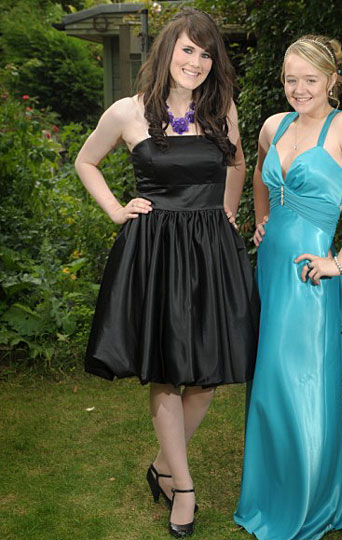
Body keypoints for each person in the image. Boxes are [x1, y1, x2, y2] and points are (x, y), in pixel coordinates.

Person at [75, 8, 259, 538]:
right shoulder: (128, 111)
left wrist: (227, 209)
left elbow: (238, 163)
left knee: (207, 374)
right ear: (166, 51)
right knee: (165, 369)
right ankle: (184, 488)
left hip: (210, 249)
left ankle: (161, 466)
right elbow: (86, 161)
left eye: (206, 54)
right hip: (156, 251)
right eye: (187, 49)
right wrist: (117, 210)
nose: (196, 62)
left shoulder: (221, 108)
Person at [234, 35, 342, 540]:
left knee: (304, 383)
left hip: (310, 275)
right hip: (270, 269)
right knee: (270, 384)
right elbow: (261, 175)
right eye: (290, 79)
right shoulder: (274, 126)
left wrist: (339, 262)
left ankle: (311, 504)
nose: (298, 89)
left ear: (332, 79)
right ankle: (270, 495)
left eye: (310, 79)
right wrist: (262, 218)